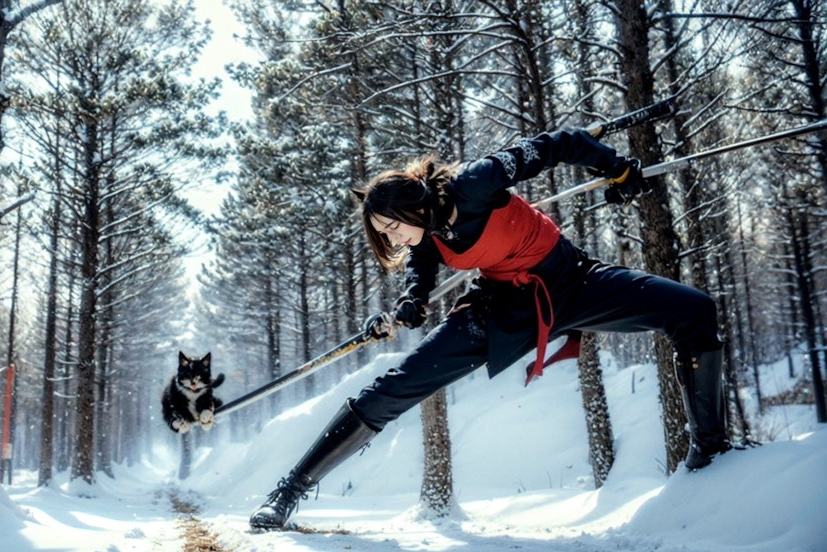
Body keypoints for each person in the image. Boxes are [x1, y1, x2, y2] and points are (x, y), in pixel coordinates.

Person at [248, 128, 732, 531]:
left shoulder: (476, 181)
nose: (391, 239)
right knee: (397, 386)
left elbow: (557, 143)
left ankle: (709, 455)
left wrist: (615, 168)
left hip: (574, 280)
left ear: (412, 207)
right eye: (384, 235)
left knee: (695, 311)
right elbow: (421, 269)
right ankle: (287, 493)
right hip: (502, 308)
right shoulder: (428, 238)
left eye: (391, 227)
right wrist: (412, 301)